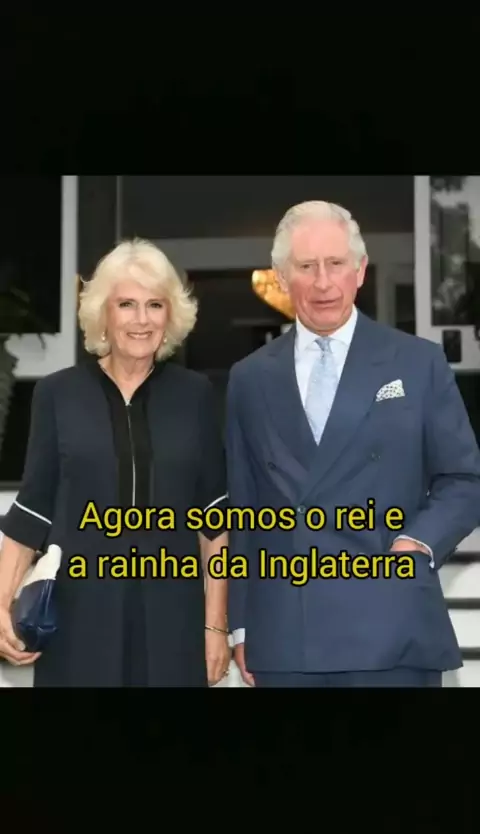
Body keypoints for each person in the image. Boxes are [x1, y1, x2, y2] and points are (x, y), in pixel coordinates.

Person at [226, 200, 480, 688]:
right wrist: (241, 622)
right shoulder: (249, 378)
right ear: (282, 277)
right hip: (285, 633)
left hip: (391, 624)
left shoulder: (418, 363)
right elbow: (245, 506)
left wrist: (416, 544)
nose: (323, 282)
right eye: (306, 267)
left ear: (360, 271)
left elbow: (464, 480)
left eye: (335, 263)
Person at [0, 238, 230, 687]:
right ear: (103, 313)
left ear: (171, 315)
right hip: (77, 620)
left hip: (173, 622)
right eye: (126, 304)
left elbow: (214, 524)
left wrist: (215, 626)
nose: (141, 319)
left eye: (154, 305)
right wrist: (1, 602)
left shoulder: (196, 396)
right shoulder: (57, 395)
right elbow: (31, 511)